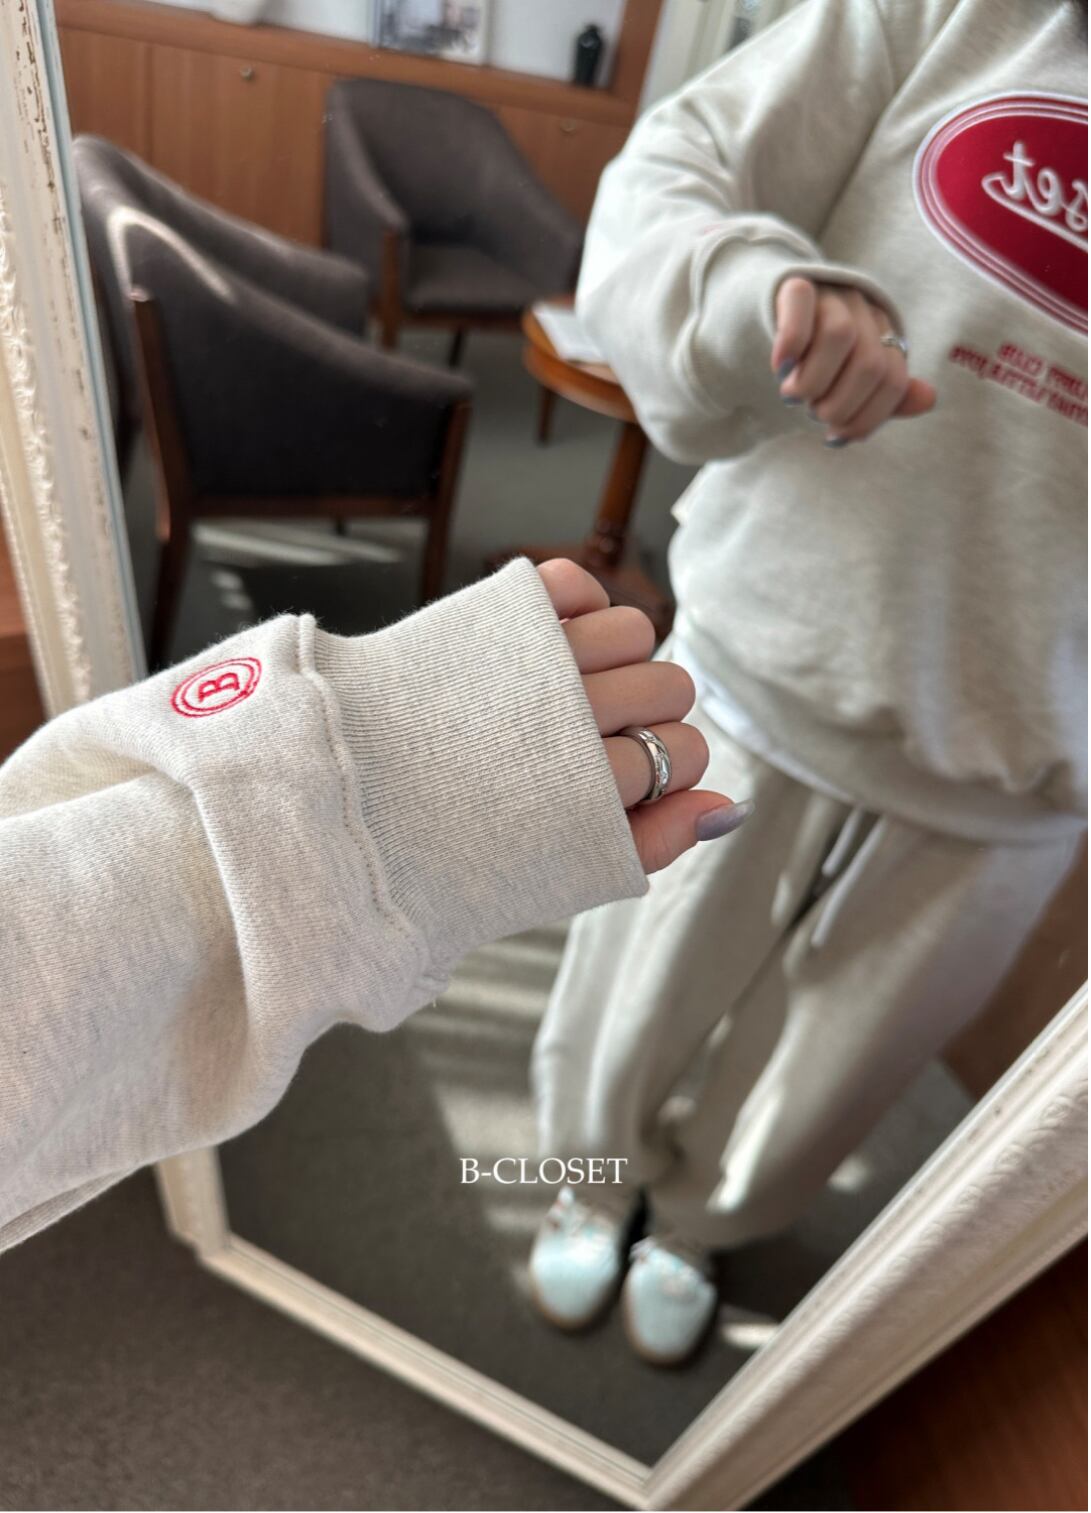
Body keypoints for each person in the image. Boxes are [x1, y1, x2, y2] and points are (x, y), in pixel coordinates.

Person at [529, 0, 1088, 1366]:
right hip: (771, 639)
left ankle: (701, 1227)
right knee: (639, 970)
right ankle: (584, 1180)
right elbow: (670, 176)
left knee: (844, 1052)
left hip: (1038, 738)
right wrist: (756, 294)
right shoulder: (951, 15)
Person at [0, 557, 749, 1252]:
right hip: (747, 630)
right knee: (655, 985)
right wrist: (343, 813)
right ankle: (600, 1188)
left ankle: (711, 1223)